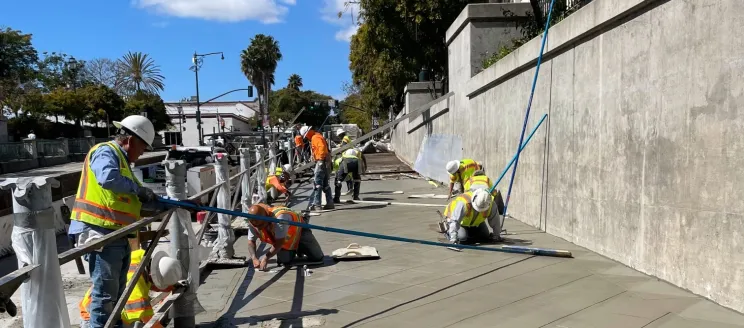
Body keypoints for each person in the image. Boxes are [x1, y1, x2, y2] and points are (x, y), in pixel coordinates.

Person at [67, 115, 194, 328]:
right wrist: (139, 189)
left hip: (116, 235)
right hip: (100, 233)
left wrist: (174, 204)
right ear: (131, 140)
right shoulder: (106, 152)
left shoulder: (124, 167)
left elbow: (140, 202)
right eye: (143, 147)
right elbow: (107, 178)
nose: (143, 152)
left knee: (117, 294)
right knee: (105, 296)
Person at [80, 250, 183, 328]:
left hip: (102, 307)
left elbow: (151, 283)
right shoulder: (135, 289)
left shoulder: (141, 257)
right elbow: (150, 322)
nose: (160, 288)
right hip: (95, 318)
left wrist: (173, 286)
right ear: (152, 275)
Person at [245, 204, 324, 270]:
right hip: (286, 240)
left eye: (261, 225)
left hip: (300, 231)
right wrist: (254, 258)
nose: (259, 228)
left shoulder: (279, 218)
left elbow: (279, 243)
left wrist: (266, 258)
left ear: (266, 217)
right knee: (284, 261)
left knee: (317, 257)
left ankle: (300, 247)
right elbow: (251, 242)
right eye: (256, 226)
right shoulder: (254, 221)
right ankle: (294, 251)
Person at [300, 126, 334, 211]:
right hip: (325, 162)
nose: (307, 138)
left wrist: (320, 159)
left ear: (307, 133)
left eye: (306, 136)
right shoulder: (318, 136)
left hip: (321, 162)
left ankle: (317, 204)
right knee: (325, 184)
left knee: (317, 183)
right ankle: (330, 203)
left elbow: (321, 147)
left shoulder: (315, 137)